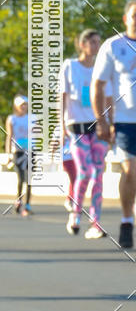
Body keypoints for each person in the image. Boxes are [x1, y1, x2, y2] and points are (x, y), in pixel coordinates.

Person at [92, 0, 136, 249]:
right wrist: (102, 121)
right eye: (134, 15)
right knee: (131, 172)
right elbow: (97, 85)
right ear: (126, 18)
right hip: (126, 121)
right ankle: (127, 220)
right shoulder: (114, 46)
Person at [62, 30, 111, 238]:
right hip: (77, 127)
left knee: (98, 173)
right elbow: (61, 98)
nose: (96, 45)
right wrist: (60, 128)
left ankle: (96, 222)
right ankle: (75, 213)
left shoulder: (102, 69)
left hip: (98, 126)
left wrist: (111, 125)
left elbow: (108, 99)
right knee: (84, 172)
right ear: (81, 44)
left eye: (98, 42)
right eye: (92, 42)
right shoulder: (70, 66)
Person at [5, 95, 35, 216]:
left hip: (30, 151)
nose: (24, 107)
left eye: (26, 105)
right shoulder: (12, 119)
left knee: (29, 179)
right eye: (22, 105)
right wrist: (8, 154)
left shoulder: (31, 118)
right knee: (20, 178)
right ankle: (18, 200)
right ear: (16, 106)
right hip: (17, 151)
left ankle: (27, 205)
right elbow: (9, 136)